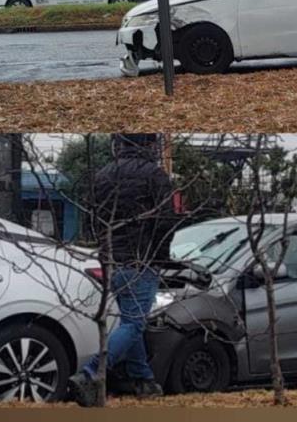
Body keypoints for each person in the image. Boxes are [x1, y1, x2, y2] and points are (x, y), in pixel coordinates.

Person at [69, 134, 175, 406]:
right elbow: (165, 221)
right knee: (134, 323)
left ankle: (143, 380)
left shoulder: (103, 175)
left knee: (130, 321)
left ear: (121, 144)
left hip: (111, 261)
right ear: (150, 145)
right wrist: (159, 258)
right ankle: (91, 373)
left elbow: (91, 217)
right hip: (140, 260)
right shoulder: (156, 175)